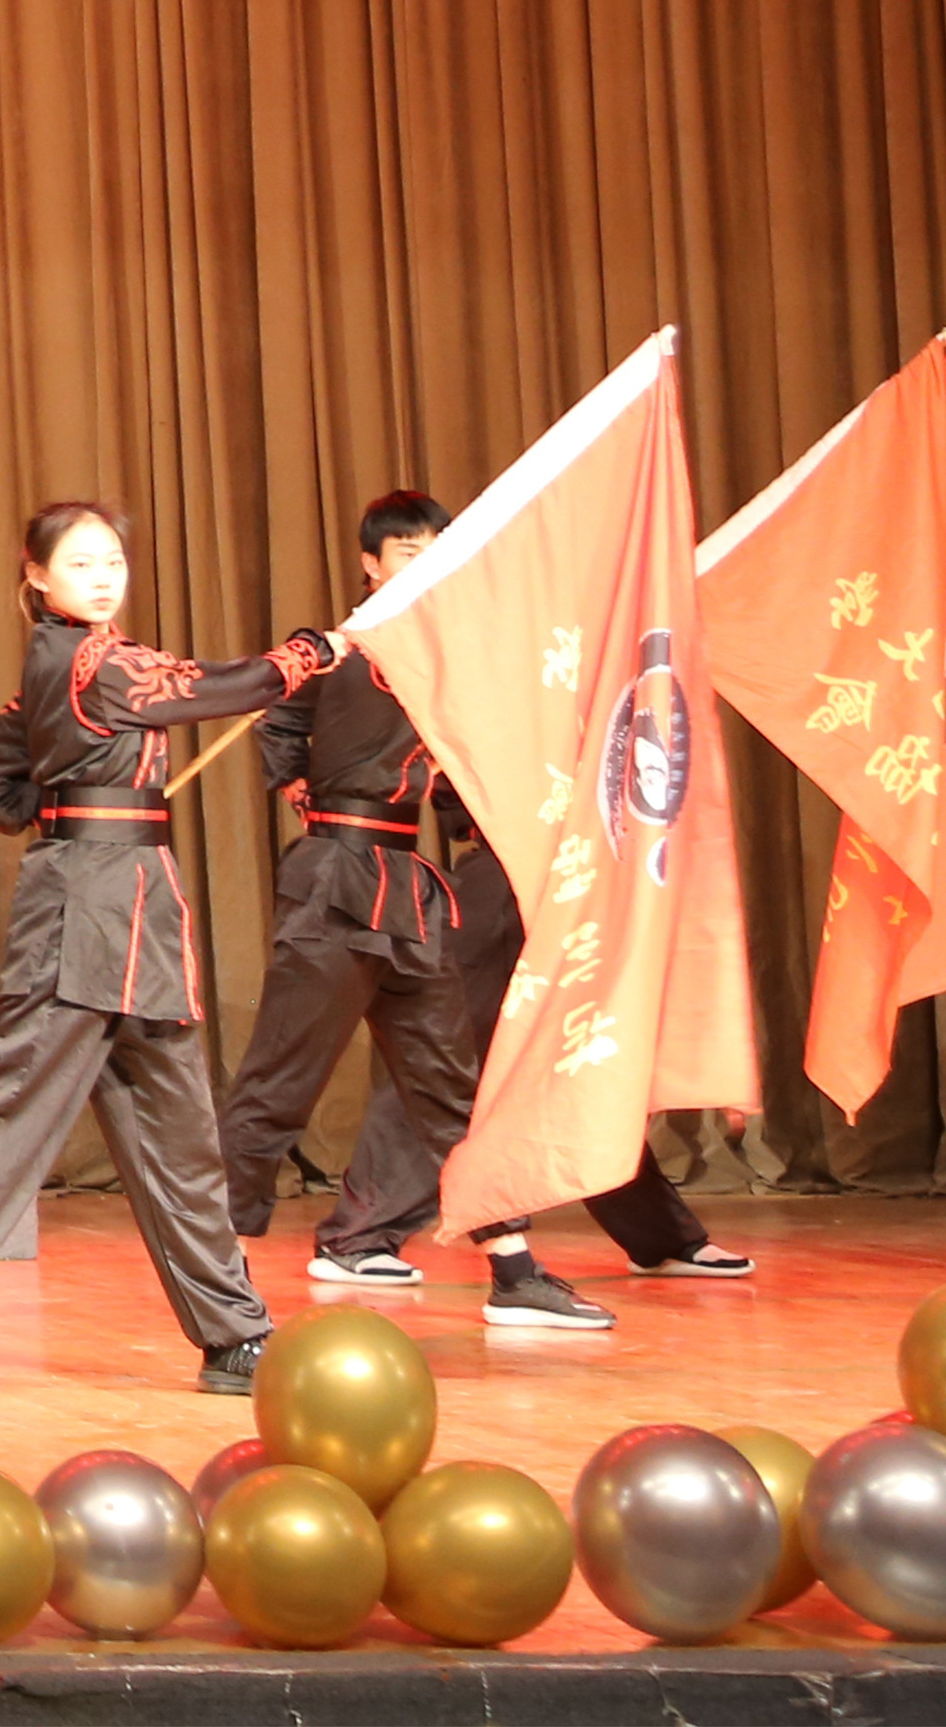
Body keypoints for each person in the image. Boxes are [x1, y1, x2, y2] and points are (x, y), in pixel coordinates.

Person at [0, 498, 338, 1407]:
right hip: (82, 907)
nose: (104, 577)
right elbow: (219, 686)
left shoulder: (61, 671)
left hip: (137, 904)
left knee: (177, 1131)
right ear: (37, 578)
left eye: (112, 560)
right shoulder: (92, 663)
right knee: (15, 1111)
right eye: (80, 564)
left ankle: (233, 1334)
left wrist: (73, 796)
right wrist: (312, 651)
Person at [219, 489, 750, 1328]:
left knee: (450, 1092)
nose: (422, 563)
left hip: (410, 890)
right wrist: (302, 788)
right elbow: (279, 722)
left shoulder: (456, 660)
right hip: (335, 880)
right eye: (405, 551)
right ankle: (218, 1280)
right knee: (276, 1088)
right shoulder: (338, 650)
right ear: (369, 564)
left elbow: (467, 772)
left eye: (435, 549)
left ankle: (514, 1271)